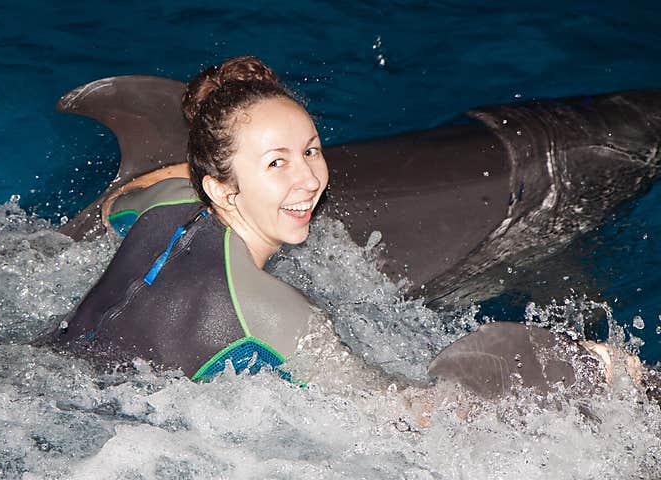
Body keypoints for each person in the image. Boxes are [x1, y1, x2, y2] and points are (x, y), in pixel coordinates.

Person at [36, 56, 654, 414]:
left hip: (28, 370)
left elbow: (128, 192)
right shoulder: (274, 313)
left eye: (311, 151)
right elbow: (416, 416)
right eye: (275, 162)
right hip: (79, 426)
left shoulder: (164, 206)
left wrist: (208, 168)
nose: (309, 179)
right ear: (222, 188)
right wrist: (584, 367)